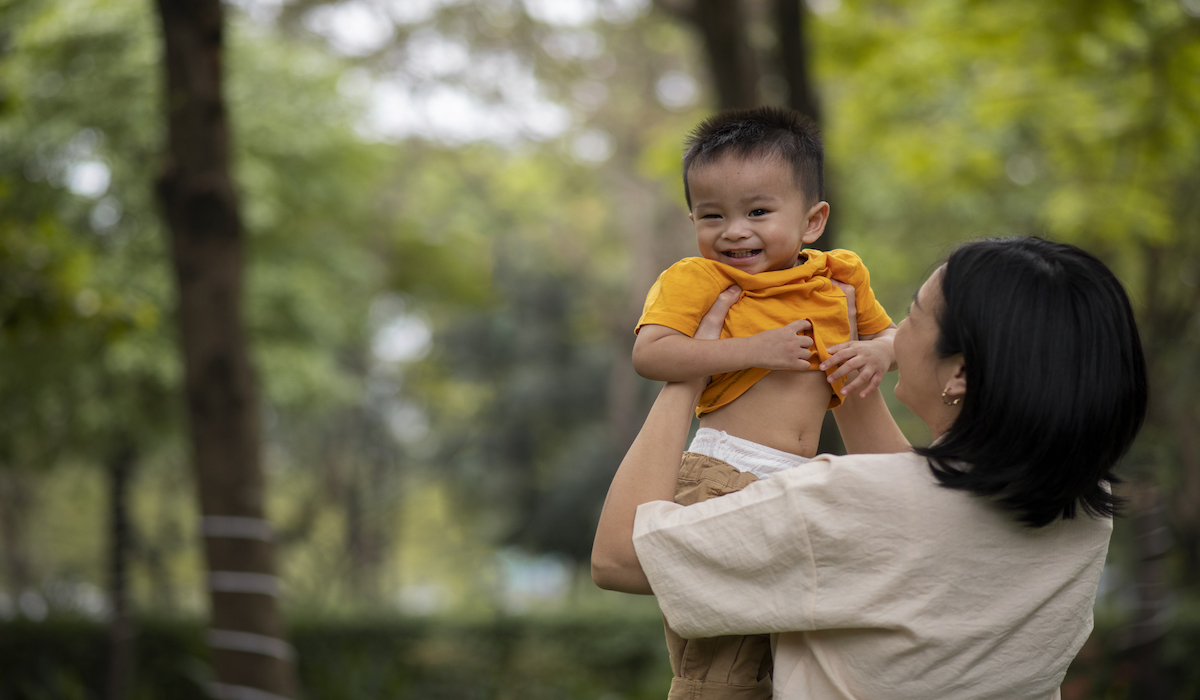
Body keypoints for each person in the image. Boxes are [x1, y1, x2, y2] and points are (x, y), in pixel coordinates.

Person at [594, 237, 1148, 700]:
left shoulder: (837, 502)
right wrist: (839, 347)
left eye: (912, 315)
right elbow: (920, 515)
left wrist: (690, 369)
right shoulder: (1084, 513)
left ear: (958, 374)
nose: (894, 334)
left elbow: (618, 558)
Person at [633, 107, 897, 698]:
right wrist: (753, 349)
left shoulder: (841, 278)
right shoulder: (699, 280)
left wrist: (882, 353)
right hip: (726, 473)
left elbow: (890, 336)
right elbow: (652, 354)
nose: (734, 230)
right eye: (712, 215)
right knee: (723, 666)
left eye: (757, 211)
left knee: (799, 659)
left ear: (812, 220)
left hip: (809, 483)